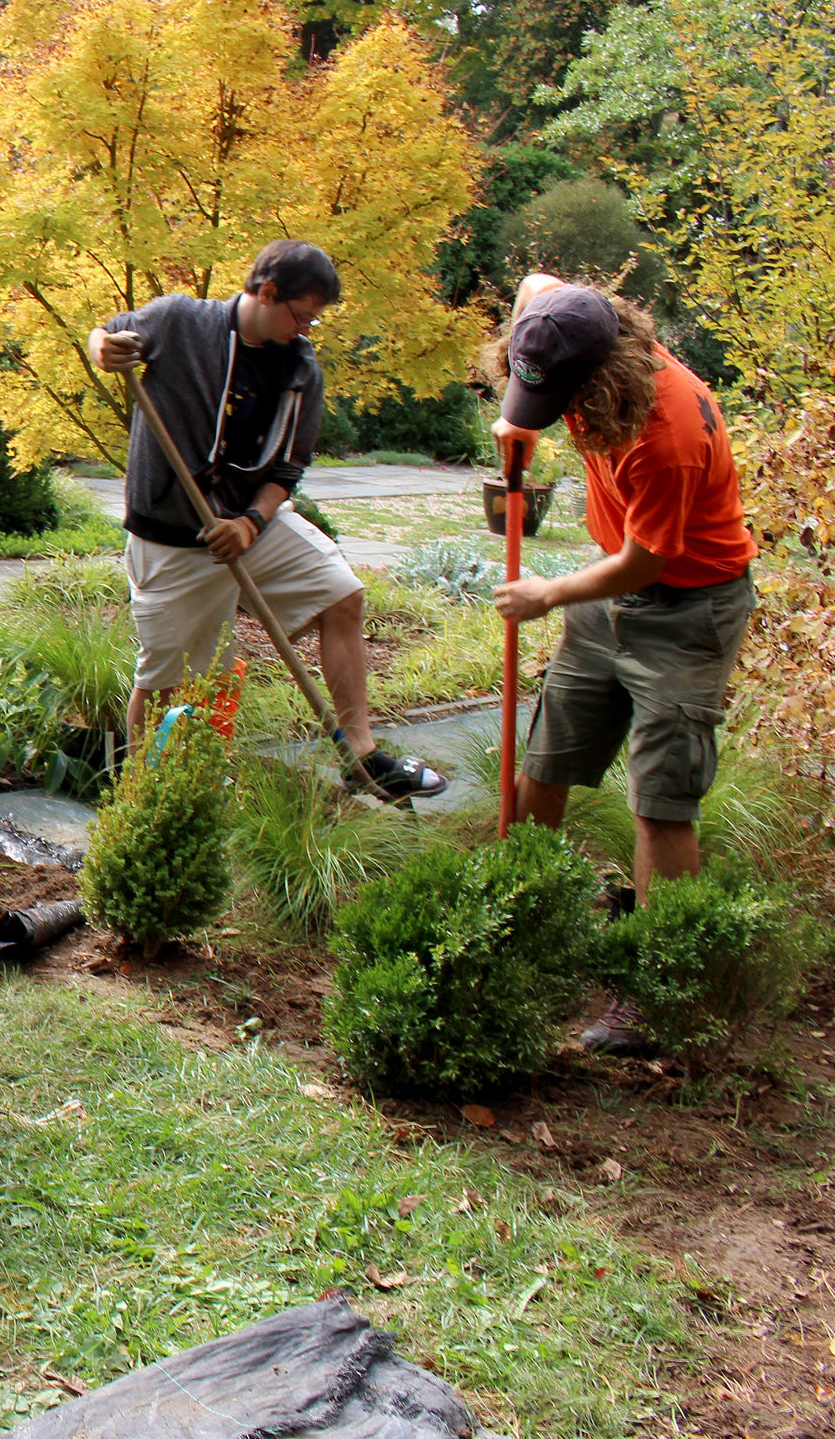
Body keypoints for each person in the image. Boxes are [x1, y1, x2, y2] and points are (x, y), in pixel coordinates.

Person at [485, 276, 757, 1048]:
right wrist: (522, 421)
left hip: (687, 608)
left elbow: (648, 562)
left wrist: (549, 593)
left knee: (661, 794)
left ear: (605, 381)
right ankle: (520, 914)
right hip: (610, 595)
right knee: (548, 754)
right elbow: (537, 293)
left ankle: (653, 991)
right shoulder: (568, 318)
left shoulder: (664, 436)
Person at [87, 239, 444, 801]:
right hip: (171, 538)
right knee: (164, 683)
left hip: (252, 523)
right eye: (301, 315)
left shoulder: (300, 368)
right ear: (267, 292)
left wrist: (251, 523)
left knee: (342, 595)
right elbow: (106, 333)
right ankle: (141, 804)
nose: (304, 330)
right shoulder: (181, 320)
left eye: (313, 321)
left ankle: (362, 754)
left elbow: (289, 466)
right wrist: (104, 350)